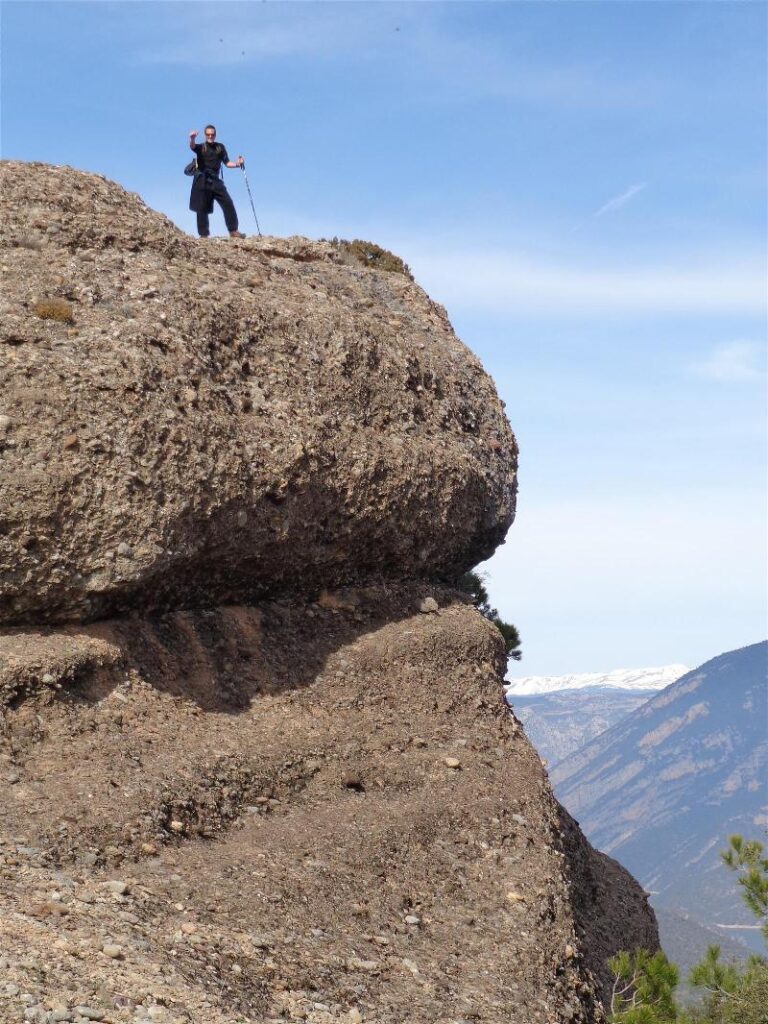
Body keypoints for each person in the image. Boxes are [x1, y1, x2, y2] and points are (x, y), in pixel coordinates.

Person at [188, 125, 245, 238]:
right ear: (205, 135)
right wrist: (192, 138)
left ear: (215, 135)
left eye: (212, 134)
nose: (210, 136)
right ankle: (203, 235)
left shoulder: (220, 147)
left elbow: (227, 163)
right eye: (208, 134)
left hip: (215, 180)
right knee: (201, 207)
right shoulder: (201, 147)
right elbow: (193, 146)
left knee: (228, 203)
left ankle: (233, 231)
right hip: (202, 179)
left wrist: (237, 164)